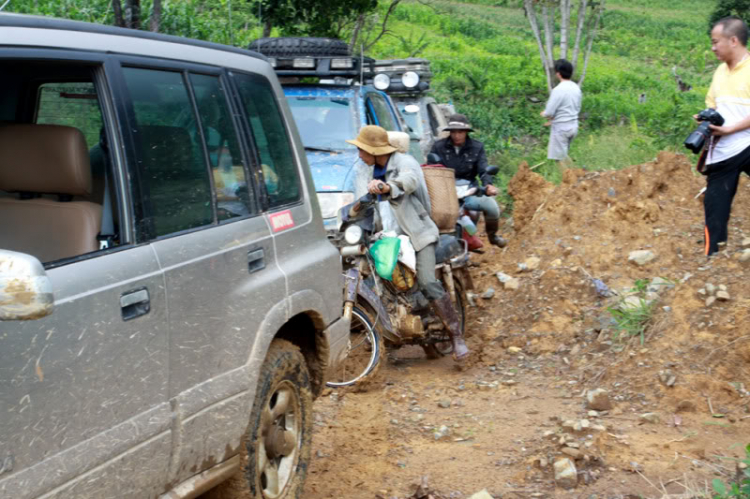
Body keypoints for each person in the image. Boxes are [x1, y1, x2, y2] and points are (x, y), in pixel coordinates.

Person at [347, 125, 469, 361]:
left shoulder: (404, 163)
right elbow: (362, 202)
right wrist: (349, 215)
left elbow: (409, 180)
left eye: (362, 149)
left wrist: (388, 187)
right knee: (375, 279)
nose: (359, 154)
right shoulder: (369, 171)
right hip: (387, 238)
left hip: (418, 235)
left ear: (374, 150)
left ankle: (456, 336)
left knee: (426, 280)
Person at [699, 16, 750, 256]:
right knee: (714, 209)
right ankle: (714, 262)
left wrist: (731, 128)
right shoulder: (719, 71)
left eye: (715, 41)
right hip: (722, 151)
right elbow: (712, 103)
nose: (712, 47)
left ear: (733, 40)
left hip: (747, 144)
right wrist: (706, 119)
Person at [428, 114, 507, 247]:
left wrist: (488, 186)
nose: (457, 135)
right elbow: (432, 169)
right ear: (450, 132)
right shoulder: (438, 147)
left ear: (466, 132)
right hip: (445, 192)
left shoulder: (477, 147)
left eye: (460, 132)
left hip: (469, 190)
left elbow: (483, 170)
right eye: (453, 132)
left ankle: (492, 236)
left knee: (492, 207)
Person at [540, 59, 582, 170]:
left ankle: (571, 181)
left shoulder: (558, 90)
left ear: (558, 73)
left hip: (561, 128)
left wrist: (544, 114)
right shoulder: (576, 88)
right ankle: (577, 175)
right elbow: (575, 107)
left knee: (558, 158)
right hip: (573, 125)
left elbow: (549, 111)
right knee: (563, 154)